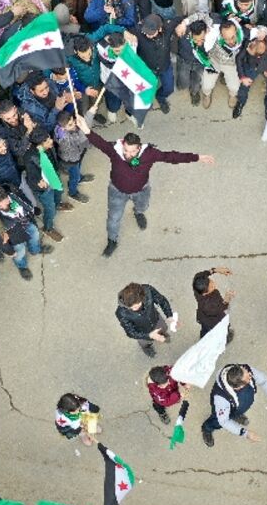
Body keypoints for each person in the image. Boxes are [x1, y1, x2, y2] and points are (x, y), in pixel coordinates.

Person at [78, 116, 214, 257]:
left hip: (141, 190)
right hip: (117, 191)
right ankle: (112, 240)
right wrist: (86, 130)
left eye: (132, 151)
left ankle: (138, 213)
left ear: (139, 148)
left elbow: (171, 157)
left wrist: (197, 157)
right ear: (123, 145)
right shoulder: (114, 151)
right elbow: (100, 143)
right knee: (113, 219)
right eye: (126, 150)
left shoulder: (150, 153)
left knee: (143, 206)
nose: (128, 155)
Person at [202, 363, 267, 447]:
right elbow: (223, 421)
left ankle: (235, 415)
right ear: (239, 387)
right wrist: (245, 433)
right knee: (217, 419)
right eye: (248, 378)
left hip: (238, 406)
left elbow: (263, 381)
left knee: (236, 412)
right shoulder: (220, 399)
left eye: (246, 372)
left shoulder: (245, 370)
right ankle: (207, 428)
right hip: (226, 408)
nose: (250, 374)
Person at [115, 282, 176, 357]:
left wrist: (169, 315)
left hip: (156, 320)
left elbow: (162, 301)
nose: (134, 309)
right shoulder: (121, 312)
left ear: (143, 297)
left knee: (163, 329)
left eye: (137, 306)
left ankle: (161, 334)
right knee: (145, 343)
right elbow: (130, 332)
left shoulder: (148, 290)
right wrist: (149, 335)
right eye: (131, 307)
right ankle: (147, 348)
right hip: (141, 332)